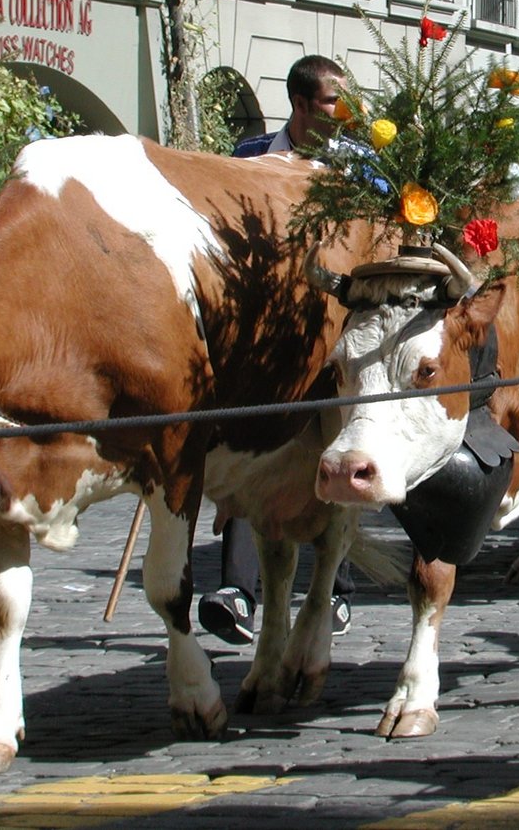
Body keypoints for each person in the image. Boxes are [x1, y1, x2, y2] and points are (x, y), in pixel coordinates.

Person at [198, 54, 354, 643]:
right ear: (301, 105)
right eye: (331, 103)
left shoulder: (360, 168)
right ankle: (238, 590)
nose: (342, 114)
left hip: (338, 330)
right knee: (252, 449)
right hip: (269, 331)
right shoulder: (248, 161)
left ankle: (336, 588)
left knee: (339, 446)